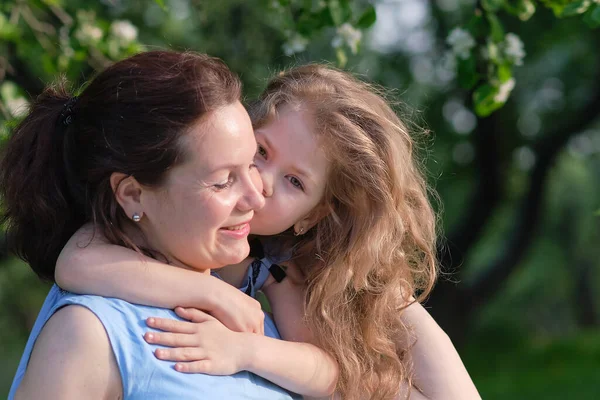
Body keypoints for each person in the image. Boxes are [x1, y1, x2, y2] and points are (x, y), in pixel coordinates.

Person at [54, 64, 481, 399]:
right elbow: (75, 262)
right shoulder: (161, 222)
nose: (261, 181)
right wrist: (214, 294)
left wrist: (245, 349)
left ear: (310, 217)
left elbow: (325, 370)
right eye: (261, 151)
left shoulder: (279, 270)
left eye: (295, 182)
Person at [2, 50, 311, 400]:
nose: (256, 198)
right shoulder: (89, 334)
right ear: (133, 195)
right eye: (223, 181)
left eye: (251, 163)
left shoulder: (251, 315)